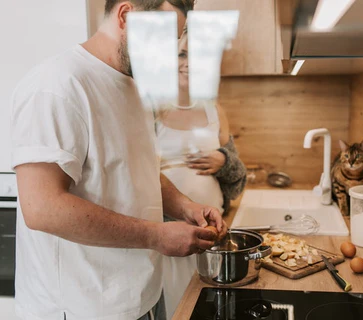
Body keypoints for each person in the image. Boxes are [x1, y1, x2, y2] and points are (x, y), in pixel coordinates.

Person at [10, 1, 226, 320]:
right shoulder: (57, 85)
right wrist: (156, 235)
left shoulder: (135, 87)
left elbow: (137, 169)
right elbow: (42, 208)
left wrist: (184, 206)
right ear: (126, 16)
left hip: (138, 298)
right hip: (79, 308)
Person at [154, 30, 247, 319]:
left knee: (212, 310)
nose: (189, 62)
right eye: (181, 54)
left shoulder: (214, 109)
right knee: (177, 310)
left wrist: (224, 160)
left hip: (212, 234)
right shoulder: (149, 108)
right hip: (168, 237)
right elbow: (137, 175)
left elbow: (237, 180)